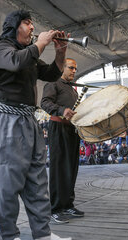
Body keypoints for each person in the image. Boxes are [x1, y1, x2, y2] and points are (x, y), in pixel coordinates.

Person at [0, 10, 71, 240]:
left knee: (37, 179)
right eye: (27, 23)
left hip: (27, 120)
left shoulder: (28, 54)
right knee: (7, 181)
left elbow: (51, 73)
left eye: (32, 24)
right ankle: (10, 236)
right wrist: (41, 43)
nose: (32, 28)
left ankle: (42, 234)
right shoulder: (0, 47)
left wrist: (60, 52)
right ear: (14, 26)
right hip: (4, 121)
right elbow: (14, 62)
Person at [41, 57, 85, 224]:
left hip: (72, 130)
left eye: (75, 68)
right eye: (71, 68)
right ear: (63, 68)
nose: (74, 71)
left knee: (71, 168)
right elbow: (44, 102)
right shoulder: (53, 83)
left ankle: (67, 205)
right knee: (59, 169)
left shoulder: (72, 90)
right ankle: (55, 208)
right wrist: (61, 110)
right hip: (58, 128)